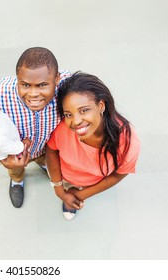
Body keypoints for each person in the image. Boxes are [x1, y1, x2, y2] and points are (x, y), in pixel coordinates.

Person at [46, 72, 141, 220]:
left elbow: (119, 173)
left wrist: (80, 195)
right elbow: (51, 150)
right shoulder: (63, 128)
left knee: (71, 200)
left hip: (92, 183)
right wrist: (59, 189)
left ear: (101, 105)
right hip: (64, 177)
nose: (75, 121)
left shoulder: (127, 141)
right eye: (68, 114)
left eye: (84, 110)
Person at [0, 47, 70, 208]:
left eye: (42, 85)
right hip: (16, 153)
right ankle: (17, 182)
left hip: (48, 148)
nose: (33, 94)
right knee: (16, 170)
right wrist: (3, 159)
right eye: (25, 85)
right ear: (17, 78)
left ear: (57, 79)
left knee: (46, 159)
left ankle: (44, 164)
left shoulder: (70, 86)